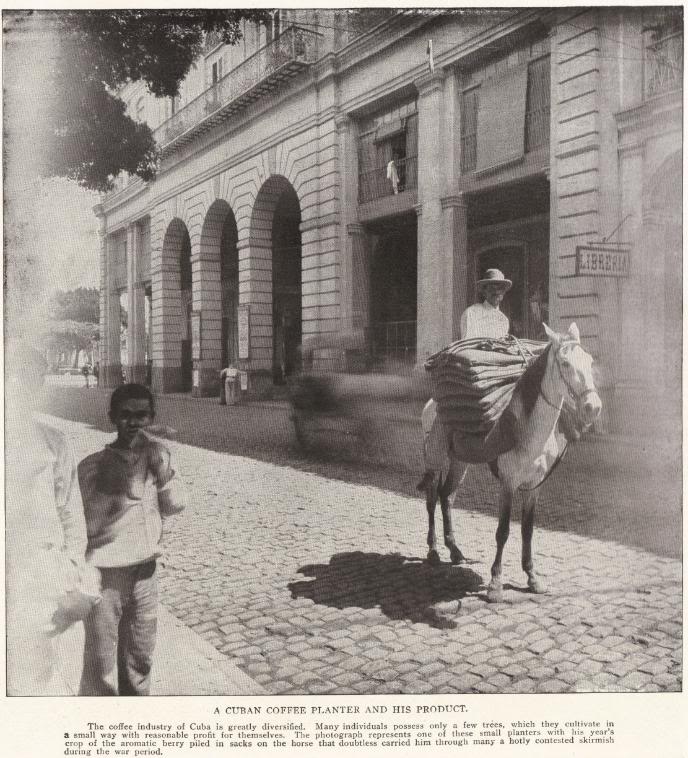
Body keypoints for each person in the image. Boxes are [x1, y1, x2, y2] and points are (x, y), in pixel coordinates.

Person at [77, 383, 186, 695]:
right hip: (106, 577)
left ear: (151, 417)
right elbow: (77, 525)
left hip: (145, 574)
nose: (134, 422)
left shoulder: (157, 456)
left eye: (142, 415)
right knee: (101, 665)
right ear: (112, 418)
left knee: (139, 658)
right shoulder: (92, 466)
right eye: (125, 415)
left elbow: (175, 505)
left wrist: (163, 473)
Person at [5, 346, 100, 695]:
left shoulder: (53, 442)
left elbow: (70, 515)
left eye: (33, 380)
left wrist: (71, 572)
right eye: (13, 379)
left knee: (37, 682)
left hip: (39, 576)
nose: (21, 389)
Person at [418, 269, 512, 490]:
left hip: (495, 374)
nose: (497, 292)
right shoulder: (472, 313)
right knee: (447, 410)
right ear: (484, 290)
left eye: (500, 288)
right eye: (492, 287)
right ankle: (432, 468)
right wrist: (485, 346)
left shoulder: (504, 320)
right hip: (473, 370)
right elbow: (468, 344)